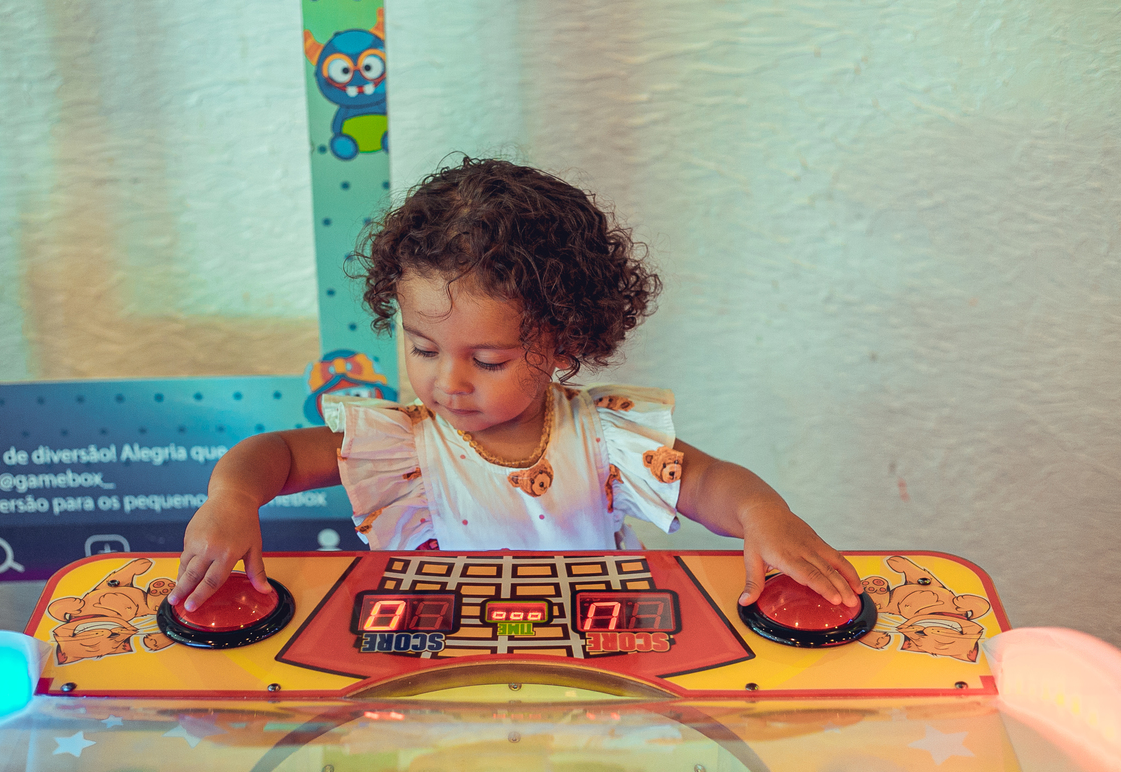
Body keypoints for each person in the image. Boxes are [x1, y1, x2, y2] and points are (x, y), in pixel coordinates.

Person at [168, 157, 862, 614]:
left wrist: (765, 515)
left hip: (596, 667)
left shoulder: (606, 437)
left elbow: (708, 482)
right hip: (441, 671)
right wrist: (232, 499)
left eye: (488, 361)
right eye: (423, 348)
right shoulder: (404, 443)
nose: (448, 381)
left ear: (565, 343)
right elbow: (276, 456)